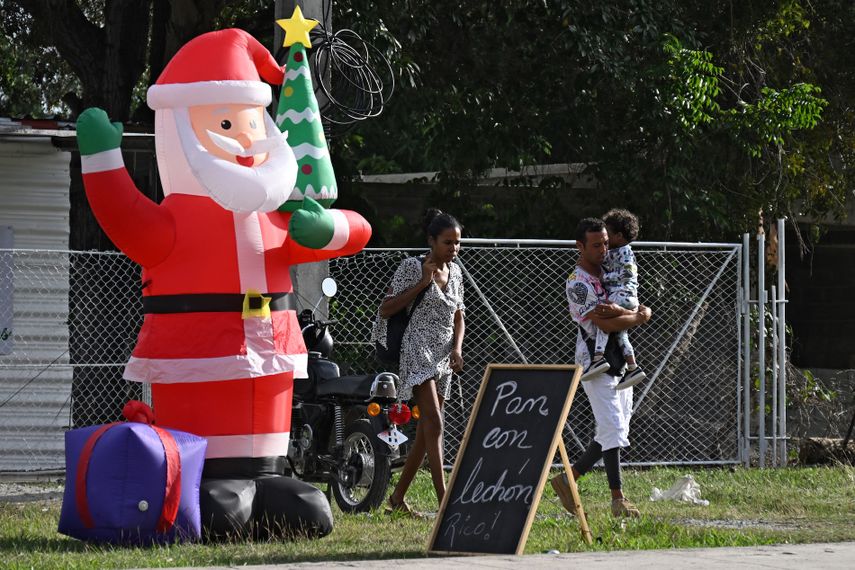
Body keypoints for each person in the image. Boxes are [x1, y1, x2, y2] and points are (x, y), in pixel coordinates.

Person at [551, 217, 652, 518]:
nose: (604, 249)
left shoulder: (612, 268)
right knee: (614, 428)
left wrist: (635, 310)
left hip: (620, 360)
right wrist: (638, 317)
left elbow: (627, 299)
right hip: (595, 363)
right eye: (596, 245)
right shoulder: (577, 282)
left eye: (606, 243)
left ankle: (568, 479)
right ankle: (618, 499)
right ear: (579, 247)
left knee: (615, 429)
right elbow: (603, 320)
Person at [371, 209, 465, 516]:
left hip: (443, 352)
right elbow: (386, 309)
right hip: (417, 347)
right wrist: (423, 282)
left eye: (457, 242)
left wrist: (457, 349)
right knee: (435, 422)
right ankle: (445, 500)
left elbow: (459, 315)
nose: (454, 248)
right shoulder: (412, 267)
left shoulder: (457, 271)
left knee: (427, 432)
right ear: (432, 241)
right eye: (447, 242)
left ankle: (397, 498)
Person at [584, 208, 647, 390]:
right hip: (627, 297)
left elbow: (627, 273)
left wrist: (604, 278)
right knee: (621, 334)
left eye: (608, 235)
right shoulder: (617, 251)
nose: (605, 240)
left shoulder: (626, 252)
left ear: (618, 236)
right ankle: (633, 367)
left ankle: (598, 358)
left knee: (604, 322)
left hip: (622, 295)